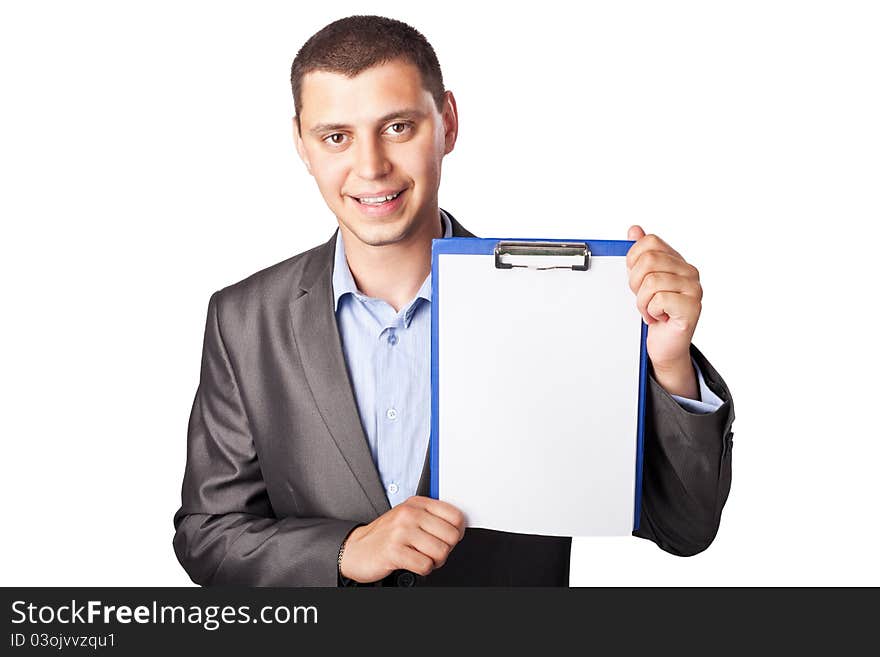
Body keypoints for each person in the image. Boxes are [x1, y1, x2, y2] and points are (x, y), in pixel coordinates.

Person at [173, 15, 735, 587]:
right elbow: (207, 534)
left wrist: (669, 363)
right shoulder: (242, 321)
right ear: (302, 144)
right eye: (336, 136)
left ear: (447, 123)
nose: (370, 167)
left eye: (397, 127)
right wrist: (343, 551)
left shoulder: (562, 307)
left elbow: (687, 528)